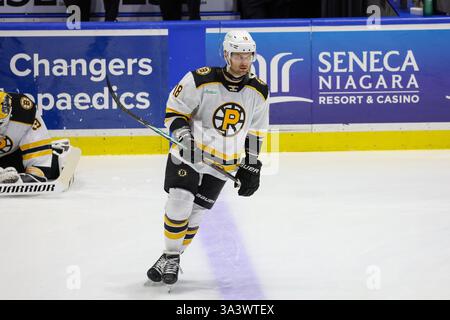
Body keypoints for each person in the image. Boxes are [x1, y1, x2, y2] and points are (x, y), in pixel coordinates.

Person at [146, 30, 270, 285]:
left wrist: (252, 165)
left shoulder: (259, 90)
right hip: (190, 154)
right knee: (180, 199)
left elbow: (257, 130)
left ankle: (171, 258)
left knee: (196, 213)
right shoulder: (200, 79)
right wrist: (185, 139)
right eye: (237, 55)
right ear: (226, 54)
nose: (244, 61)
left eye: (248, 55)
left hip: (224, 162)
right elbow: (175, 111)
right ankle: (171, 254)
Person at [0, 91, 64, 184]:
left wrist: (37, 170)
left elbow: (39, 167)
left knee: (51, 168)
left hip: (12, 154)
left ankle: (53, 151)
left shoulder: (23, 111)